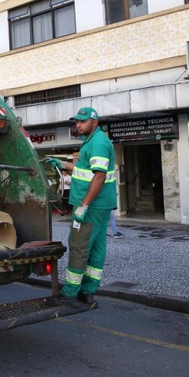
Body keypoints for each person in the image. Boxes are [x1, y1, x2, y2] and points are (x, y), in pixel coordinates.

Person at [45, 107, 117, 307]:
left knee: (79, 247)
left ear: (95, 122)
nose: (78, 125)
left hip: (91, 207)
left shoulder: (98, 143)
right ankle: (88, 292)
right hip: (100, 206)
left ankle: (69, 293)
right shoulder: (94, 141)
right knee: (96, 248)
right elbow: (89, 171)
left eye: (83, 121)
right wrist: (63, 164)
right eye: (77, 121)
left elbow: (100, 176)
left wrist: (84, 205)